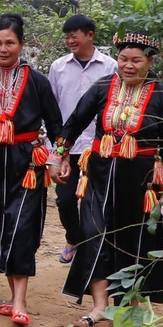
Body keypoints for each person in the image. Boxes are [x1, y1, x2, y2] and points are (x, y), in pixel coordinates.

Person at [55, 32, 163, 327]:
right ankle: (99, 307)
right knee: (93, 234)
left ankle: (127, 308)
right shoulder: (102, 86)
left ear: (149, 61)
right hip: (100, 175)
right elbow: (75, 122)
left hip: (140, 181)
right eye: (123, 59)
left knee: (134, 241)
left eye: (136, 60)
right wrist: (59, 155)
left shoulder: (161, 93)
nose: (128, 65)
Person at [0, 13, 63, 327]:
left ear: (22, 44)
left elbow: (56, 125)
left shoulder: (37, 81)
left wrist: (57, 158)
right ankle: (12, 295)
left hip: (27, 161)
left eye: (10, 43)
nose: (3, 49)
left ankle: (20, 300)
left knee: (22, 227)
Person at [47, 15, 117, 265]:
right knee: (65, 199)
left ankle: (94, 248)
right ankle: (73, 238)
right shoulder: (58, 67)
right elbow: (52, 110)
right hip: (67, 147)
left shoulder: (110, 67)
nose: (70, 41)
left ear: (90, 35)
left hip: (99, 147)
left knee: (94, 201)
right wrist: (56, 151)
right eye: (67, 37)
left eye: (74, 35)